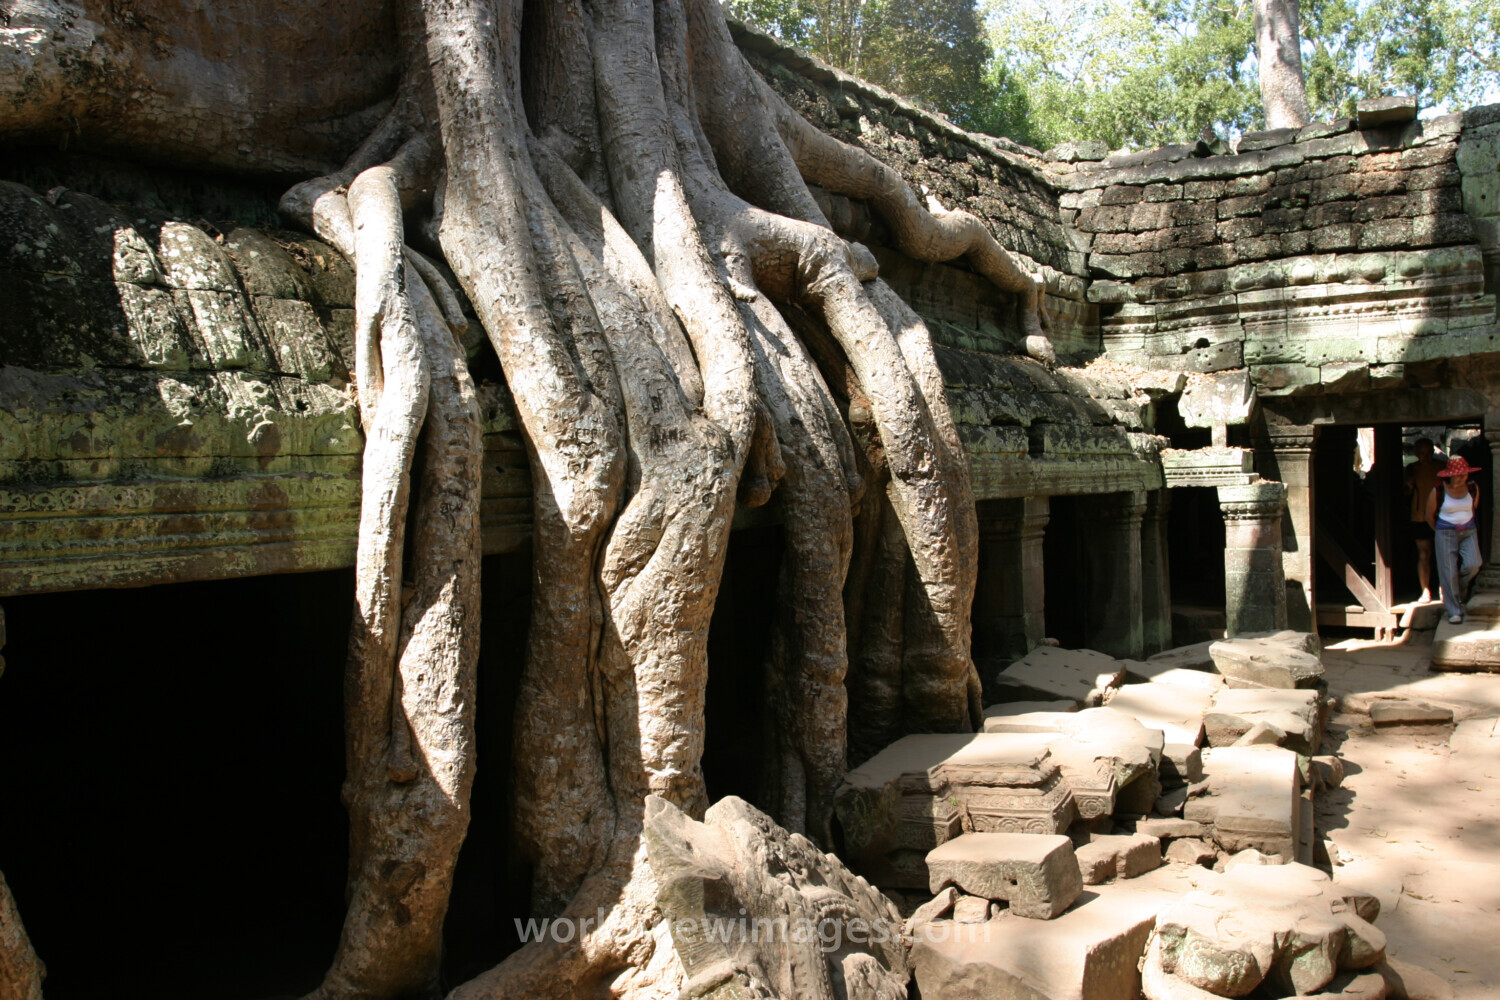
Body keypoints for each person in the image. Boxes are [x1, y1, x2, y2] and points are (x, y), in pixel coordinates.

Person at [1426, 456, 1483, 624]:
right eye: (1458, 475)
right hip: (1445, 532)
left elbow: (1473, 508)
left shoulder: (1473, 487)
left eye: (1464, 475)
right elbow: (1429, 516)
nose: (1462, 478)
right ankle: (1454, 611)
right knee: (1447, 571)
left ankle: (1459, 586)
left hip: (1469, 530)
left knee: (1474, 564)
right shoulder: (1438, 490)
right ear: (1449, 475)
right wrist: (1442, 531)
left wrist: (1464, 523)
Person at [1405, 438, 1446, 602]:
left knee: (1444, 554)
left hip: (1440, 516)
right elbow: (1405, 495)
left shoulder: (1441, 468)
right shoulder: (1411, 469)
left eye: (1428, 453)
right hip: (1419, 516)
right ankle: (1426, 590)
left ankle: (1444, 589)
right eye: (1421, 453)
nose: (1425, 457)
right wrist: (1408, 485)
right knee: (1423, 554)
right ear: (1416, 454)